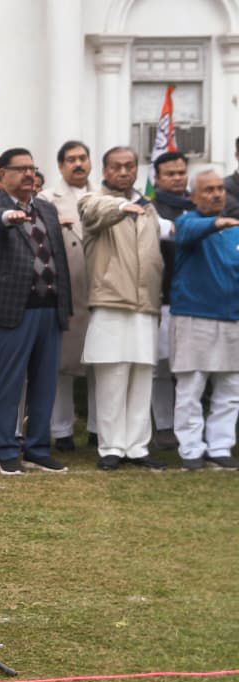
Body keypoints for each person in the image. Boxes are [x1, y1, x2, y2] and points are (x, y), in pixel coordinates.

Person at [0, 148, 72, 475]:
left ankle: (38, 449)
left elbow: (57, 257)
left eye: (33, 168)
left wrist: (64, 305)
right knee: (7, 382)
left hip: (49, 309)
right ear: (3, 176)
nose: (29, 174)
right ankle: (5, 450)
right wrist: (8, 218)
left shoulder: (46, 209)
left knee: (45, 383)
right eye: (21, 169)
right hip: (13, 310)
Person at [78, 147, 165, 471]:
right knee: (112, 377)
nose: (125, 172)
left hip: (145, 303)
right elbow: (94, 212)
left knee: (142, 376)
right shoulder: (94, 199)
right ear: (105, 169)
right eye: (117, 167)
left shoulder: (147, 204)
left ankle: (137, 447)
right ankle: (111, 446)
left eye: (130, 166)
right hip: (111, 300)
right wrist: (121, 206)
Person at [167, 171, 239, 470]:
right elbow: (184, 233)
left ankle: (220, 447)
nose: (216, 194)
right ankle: (191, 449)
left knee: (231, 388)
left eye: (220, 189)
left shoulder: (235, 230)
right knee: (191, 387)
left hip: (232, 319)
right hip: (193, 317)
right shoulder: (187, 222)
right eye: (208, 189)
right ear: (194, 196)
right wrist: (214, 223)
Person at [38, 140, 96, 451]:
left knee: (100, 364)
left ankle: (99, 429)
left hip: (98, 293)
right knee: (61, 366)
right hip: (64, 293)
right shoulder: (47, 199)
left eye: (82, 158)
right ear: (60, 166)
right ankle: (62, 431)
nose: (78, 164)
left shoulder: (101, 197)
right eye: (71, 159)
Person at [149, 151, 193, 450]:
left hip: (197, 301)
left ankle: (188, 427)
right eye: (171, 173)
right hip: (163, 298)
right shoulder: (151, 209)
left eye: (181, 172)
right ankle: (164, 426)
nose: (177, 178)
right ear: (158, 178)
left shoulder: (199, 205)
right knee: (162, 367)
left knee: (191, 368)